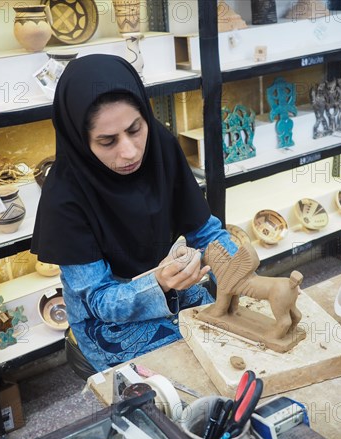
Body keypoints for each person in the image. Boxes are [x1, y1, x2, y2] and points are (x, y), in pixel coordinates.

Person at [31, 54, 237, 377]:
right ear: (80, 140)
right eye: (107, 141)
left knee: (234, 343)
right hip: (106, 318)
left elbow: (207, 233)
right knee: (185, 375)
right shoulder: (64, 197)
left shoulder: (160, 147)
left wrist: (240, 273)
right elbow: (99, 299)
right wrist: (157, 284)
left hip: (169, 286)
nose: (129, 151)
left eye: (134, 129)